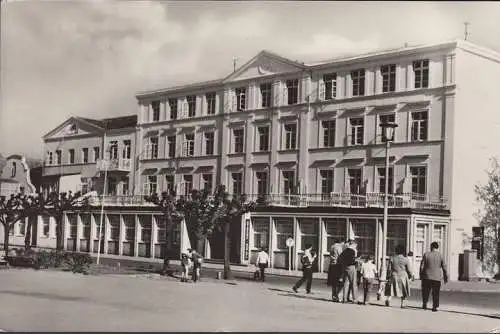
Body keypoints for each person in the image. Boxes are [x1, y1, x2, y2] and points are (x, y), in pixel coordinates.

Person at [420, 242, 448, 312]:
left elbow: (421, 266)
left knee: (425, 291)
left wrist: (421, 275)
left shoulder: (426, 254)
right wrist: (445, 277)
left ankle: (424, 303)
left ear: (431, 247)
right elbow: (444, 267)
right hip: (437, 277)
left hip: (426, 276)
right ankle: (434, 306)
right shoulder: (440, 255)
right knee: (436, 292)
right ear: (437, 247)